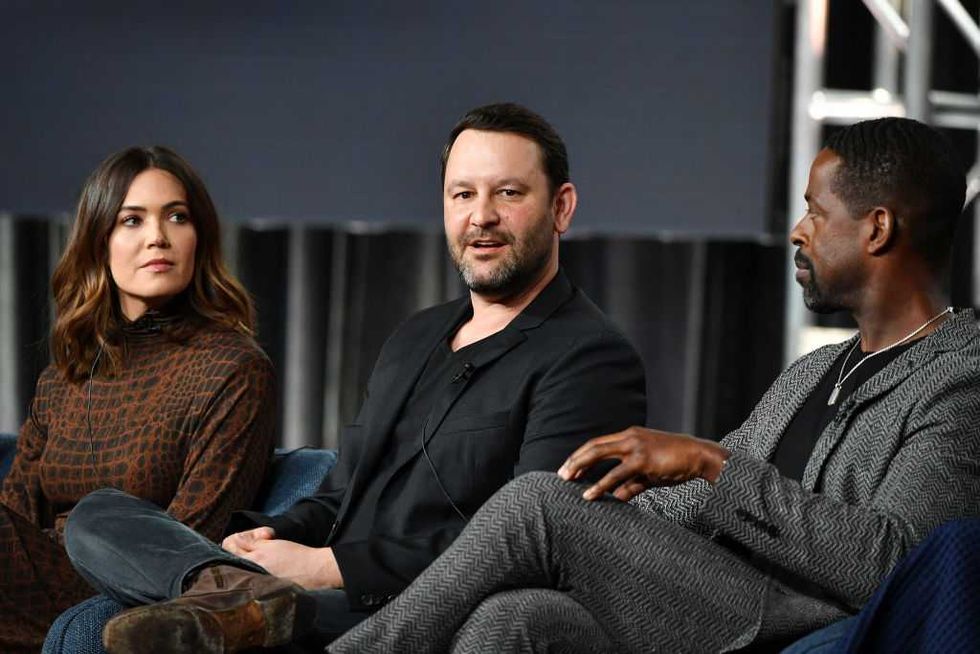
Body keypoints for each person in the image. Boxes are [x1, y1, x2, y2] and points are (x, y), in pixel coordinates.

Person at [327, 116, 980, 653]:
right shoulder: (814, 371)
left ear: (877, 228)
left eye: (815, 211)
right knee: (515, 619)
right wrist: (608, 520)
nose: (797, 230)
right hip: (703, 600)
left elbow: (899, 565)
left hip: (796, 622)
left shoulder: (960, 377)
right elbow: (696, 502)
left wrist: (709, 462)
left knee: (536, 504)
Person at [65, 102, 647, 653]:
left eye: (509, 193)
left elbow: (533, 546)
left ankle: (246, 609)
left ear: (561, 207)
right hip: (309, 594)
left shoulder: (589, 357)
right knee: (99, 517)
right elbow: (343, 496)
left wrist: (326, 567)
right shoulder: (416, 336)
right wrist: (270, 540)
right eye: (463, 193)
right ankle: (233, 593)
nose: (481, 216)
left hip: (416, 610)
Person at [0, 146, 275, 653]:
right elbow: (14, 513)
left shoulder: (232, 367)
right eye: (132, 220)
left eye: (177, 217)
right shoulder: (63, 377)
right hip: (31, 587)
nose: (158, 237)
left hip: (129, 589)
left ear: (199, 238)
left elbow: (192, 545)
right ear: (99, 241)